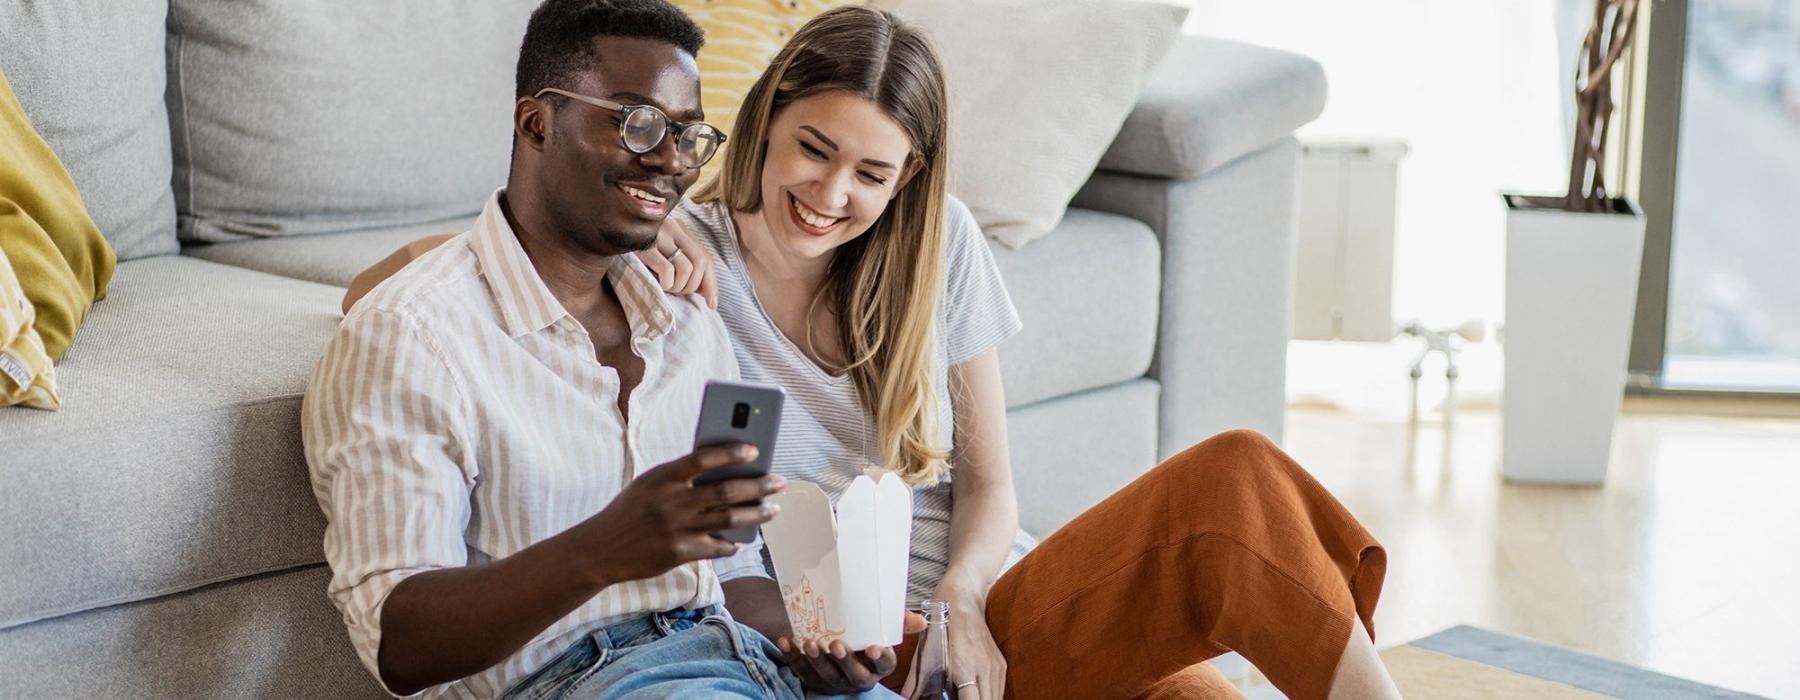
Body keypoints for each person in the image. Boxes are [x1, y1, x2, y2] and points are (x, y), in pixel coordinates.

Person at [345, 7, 1400, 700]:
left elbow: (990, 490)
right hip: (842, 641)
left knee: (1211, 620)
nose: (831, 194)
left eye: (872, 173)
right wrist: (655, 219)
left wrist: (967, 607)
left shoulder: (936, 251)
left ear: (909, 181)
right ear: (765, 123)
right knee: (1227, 499)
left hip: (984, 613)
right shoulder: (676, 263)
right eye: (813, 148)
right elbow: (408, 281)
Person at [303, 1, 914, 698]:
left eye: (686, 135)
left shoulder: (689, 320)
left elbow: (734, 567)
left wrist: (806, 641)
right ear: (537, 122)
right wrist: (604, 549)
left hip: (744, 661)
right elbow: (397, 642)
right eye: (637, 123)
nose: (668, 162)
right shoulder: (411, 338)